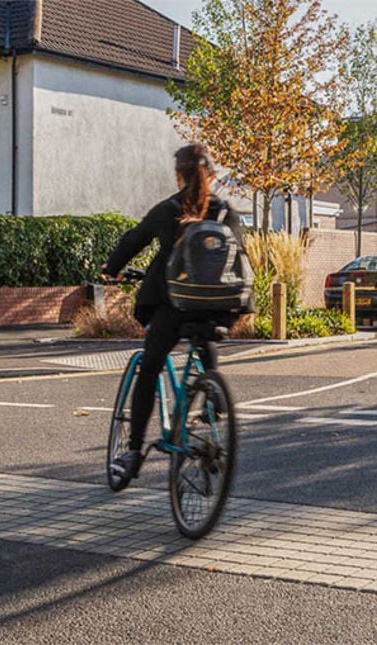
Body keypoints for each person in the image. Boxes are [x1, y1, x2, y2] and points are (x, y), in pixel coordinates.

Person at [101, 143, 247, 480]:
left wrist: (111, 268)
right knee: (205, 333)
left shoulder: (169, 209)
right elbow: (242, 256)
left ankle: (133, 452)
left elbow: (132, 240)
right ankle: (212, 396)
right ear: (211, 174)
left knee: (150, 366)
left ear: (178, 174)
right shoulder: (226, 212)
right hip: (219, 307)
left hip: (172, 305)